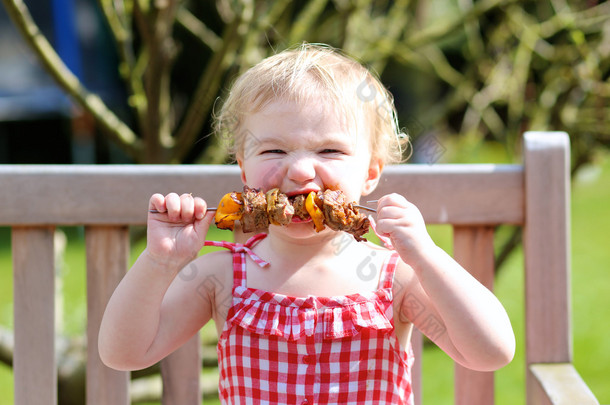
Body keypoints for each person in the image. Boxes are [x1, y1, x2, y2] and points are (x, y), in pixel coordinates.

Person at [99, 43, 515, 404]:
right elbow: (123, 353)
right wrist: (159, 262)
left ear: (370, 173)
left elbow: (491, 352)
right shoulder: (221, 276)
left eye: (330, 150)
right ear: (244, 169)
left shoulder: (395, 278)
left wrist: (426, 255)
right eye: (274, 150)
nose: (299, 171)